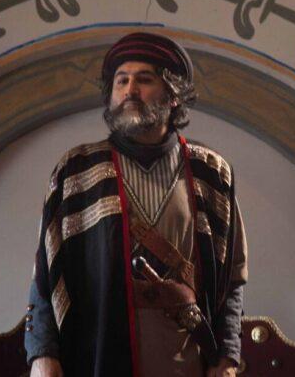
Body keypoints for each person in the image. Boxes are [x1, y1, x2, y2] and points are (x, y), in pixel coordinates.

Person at [25, 32, 248, 377]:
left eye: (144, 80)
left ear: (173, 95)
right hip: (97, 356)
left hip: (185, 360)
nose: (130, 90)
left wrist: (227, 357)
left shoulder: (211, 173)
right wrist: (42, 353)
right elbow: (45, 275)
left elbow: (232, 280)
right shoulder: (76, 169)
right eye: (121, 80)